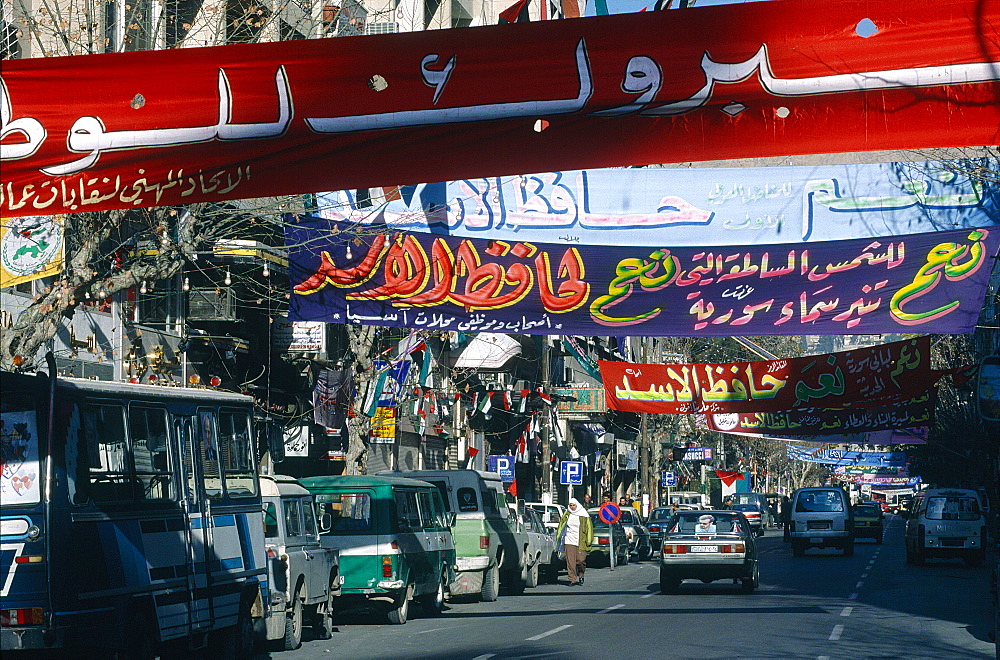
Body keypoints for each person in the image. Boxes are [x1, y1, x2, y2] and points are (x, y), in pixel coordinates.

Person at [556, 498, 594, 586]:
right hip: (569, 540)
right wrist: (559, 537)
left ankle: (581, 574)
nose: (572, 507)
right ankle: (572, 579)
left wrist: (589, 540)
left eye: (574, 505)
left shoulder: (584, 515)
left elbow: (589, 528)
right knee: (570, 561)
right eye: (571, 505)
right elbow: (561, 525)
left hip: (581, 540)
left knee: (581, 560)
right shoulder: (567, 514)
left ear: (577, 505)